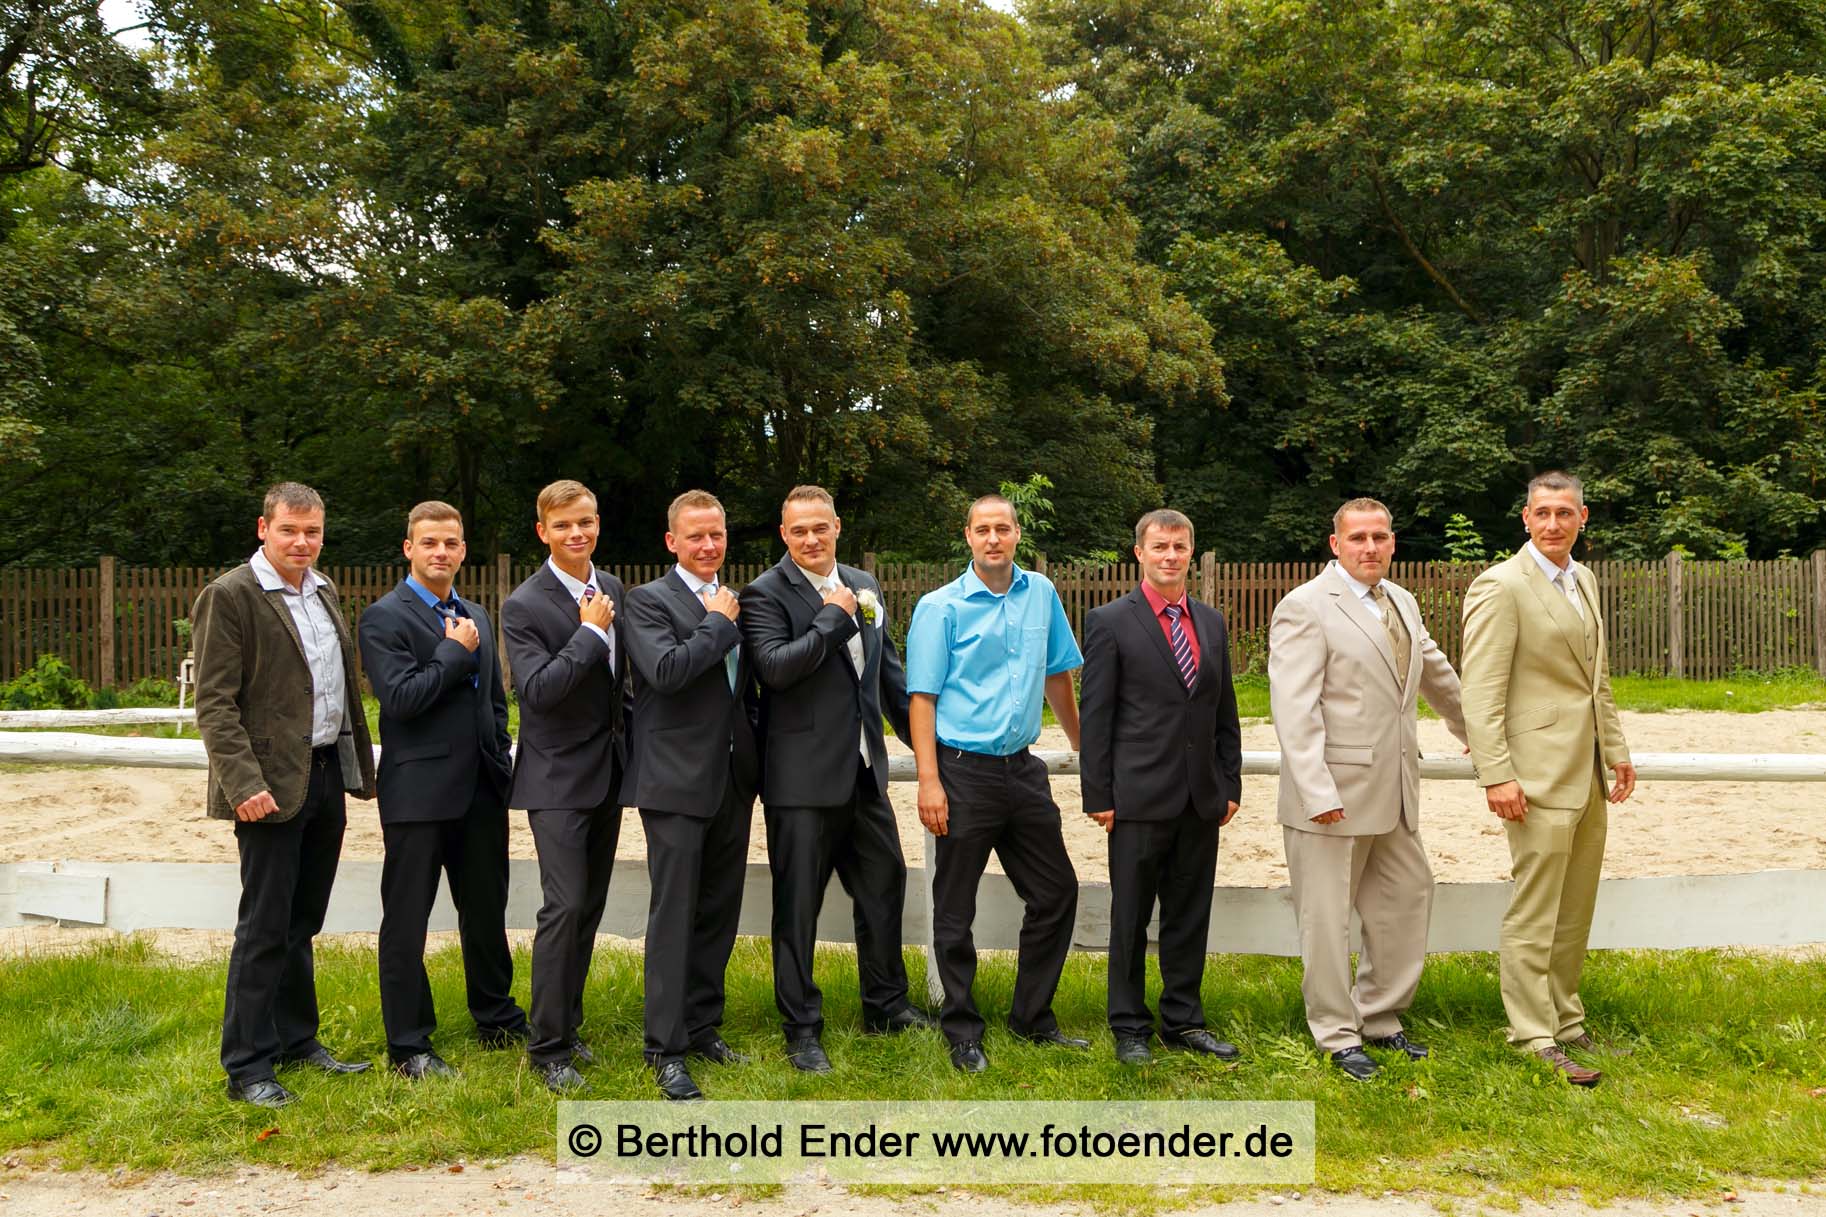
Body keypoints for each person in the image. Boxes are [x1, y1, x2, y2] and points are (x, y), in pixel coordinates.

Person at [1268, 498, 1467, 1081]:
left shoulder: (1401, 602)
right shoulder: (1304, 607)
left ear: (1393, 542)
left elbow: (1438, 677)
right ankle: (1336, 1034)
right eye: (1357, 537)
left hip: (1397, 789)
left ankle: (1380, 1017)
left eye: (1379, 536)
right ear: (1336, 545)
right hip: (1330, 796)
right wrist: (1315, 789)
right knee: (1326, 921)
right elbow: (1294, 707)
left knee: (1407, 899)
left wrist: (1478, 738)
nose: (1370, 547)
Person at [192, 481, 375, 1108]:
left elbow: (336, 688)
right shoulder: (231, 595)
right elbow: (214, 704)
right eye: (290, 530)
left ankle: (298, 1044)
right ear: (263, 528)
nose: (303, 542)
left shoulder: (323, 591)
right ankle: (246, 1067)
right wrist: (243, 784)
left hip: (324, 775)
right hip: (266, 786)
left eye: (313, 531)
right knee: (264, 927)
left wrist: (357, 770)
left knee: (303, 923)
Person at [739, 485, 929, 1073]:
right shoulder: (763, 593)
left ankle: (886, 1004)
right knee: (797, 907)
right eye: (799, 531)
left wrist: (930, 751)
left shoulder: (864, 585)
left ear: (837, 526)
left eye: (820, 527)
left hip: (865, 772)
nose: (811, 539)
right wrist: (832, 618)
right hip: (800, 781)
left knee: (884, 885)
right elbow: (774, 670)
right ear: (784, 534)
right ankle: (801, 1027)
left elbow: (888, 678)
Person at [1461, 471, 1635, 1087]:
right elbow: (1479, 693)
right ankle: (1533, 1034)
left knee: (1575, 906)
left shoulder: (1583, 580)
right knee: (1536, 908)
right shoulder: (1501, 586)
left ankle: (1566, 1018)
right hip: (1531, 778)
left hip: (1585, 772)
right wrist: (1496, 774)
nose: (1554, 523)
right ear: (1525, 519)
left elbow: (1597, 679)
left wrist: (1615, 749)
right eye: (1543, 513)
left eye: (1565, 512)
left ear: (1582, 518)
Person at [904, 494, 1086, 1074]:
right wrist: (929, 781)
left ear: (1016, 534)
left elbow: (1057, 673)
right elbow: (922, 698)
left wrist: (1085, 750)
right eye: (982, 530)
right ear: (967, 537)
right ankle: (961, 1030)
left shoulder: (1042, 594)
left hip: (1023, 770)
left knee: (1056, 892)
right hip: (962, 773)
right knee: (955, 911)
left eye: (1002, 529)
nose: (993, 539)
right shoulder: (941, 607)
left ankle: (1032, 1018)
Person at [357, 500, 527, 1080]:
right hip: (419, 795)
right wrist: (455, 652)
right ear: (409, 548)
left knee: (486, 912)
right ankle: (409, 1045)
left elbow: (494, 702)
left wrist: (499, 757)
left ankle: (497, 1017)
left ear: (462, 549)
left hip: (481, 791)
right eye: (429, 542)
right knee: (407, 921)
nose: (441, 553)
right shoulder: (384, 617)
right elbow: (402, 699)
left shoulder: (475, 609)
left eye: (451, 543)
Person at [1078, 509, 1242, 1066]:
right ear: (1139, 553)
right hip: (1135, 800)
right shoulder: (1109, 621)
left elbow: (1224, 709)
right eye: (1160, 547)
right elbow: (1096, 715)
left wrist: (1231, 782)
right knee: (1130, 917)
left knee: (1188, 914)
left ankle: (1184, 1020)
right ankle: (1128, 1025)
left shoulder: (1211, 623)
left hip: (1201, 797)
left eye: (1179, 547)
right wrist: (1097, 795)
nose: (1170, 556)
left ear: (1190, 553)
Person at [621, 489, 760, 1101]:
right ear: (671, 541)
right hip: (674, 780)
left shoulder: (738, 601)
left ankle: (704, 1026)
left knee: (719, 910)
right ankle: (665, 1048)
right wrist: (718, 625)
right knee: (674, 915)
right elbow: (668, 673)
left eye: (717, 535)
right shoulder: (646, 602)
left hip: (734, 776)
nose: (709, 546)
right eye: (696, 536)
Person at [501, 479, 630, 1093]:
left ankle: (570, 1028)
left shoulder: (613, 589)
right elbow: (539, 691)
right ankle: (546, 1048)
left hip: (607, 773)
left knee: (590, 908)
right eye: (564, 526)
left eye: (587, 521)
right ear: (543, 532)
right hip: (555, 779)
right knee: (564, 906)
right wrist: (588, 633)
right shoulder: (524, 604)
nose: (577, 533)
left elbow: (620, 687)